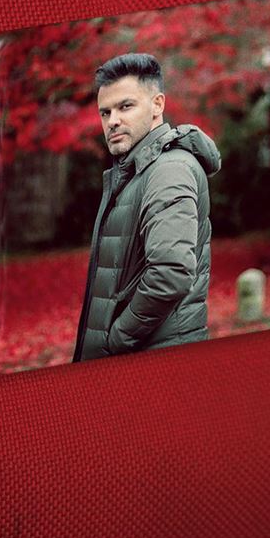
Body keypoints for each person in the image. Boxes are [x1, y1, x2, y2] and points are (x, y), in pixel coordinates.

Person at [73, 52, 221, 362]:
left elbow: (171, 273)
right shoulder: (135, 171)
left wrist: (116, 340)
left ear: (157, 105)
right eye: (105, 112)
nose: (113, 121)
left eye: (125, 106)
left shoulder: (168, 170)